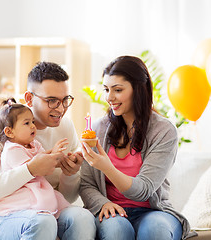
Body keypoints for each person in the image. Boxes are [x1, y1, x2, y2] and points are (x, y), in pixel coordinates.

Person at [0, 62, 96, 240]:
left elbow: (66, 195)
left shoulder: (65, 126)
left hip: (46, 209)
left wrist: (70, 174)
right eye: (52, 101)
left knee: (82, 218)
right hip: (0, 214)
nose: (60, 109)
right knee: (42, 222)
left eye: (64, 100)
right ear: (29, 98)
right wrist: (30, 170)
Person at [79, 56, 195, 240]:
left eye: (117, 90)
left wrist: (106, 167)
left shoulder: (164, 131)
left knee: (155, 230)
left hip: (152, 212)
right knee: (116, 230)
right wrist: (102, 203)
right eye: (107, 89)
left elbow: (143, 190)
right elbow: (86, 183)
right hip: (111, 212)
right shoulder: (97, 130)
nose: (109, 97)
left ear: (138, 90)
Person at [0, 99, 70, 218]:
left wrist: (63, 159)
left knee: (56, 197)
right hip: (21, 189)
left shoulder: (34, 144)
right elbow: (34, 166)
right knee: (41, 201)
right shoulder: (12, 150)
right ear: (9, 132)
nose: (33, 126)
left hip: (37, 186)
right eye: (27, 123)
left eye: (33, 122)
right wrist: (53, 154)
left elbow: (46, 160)